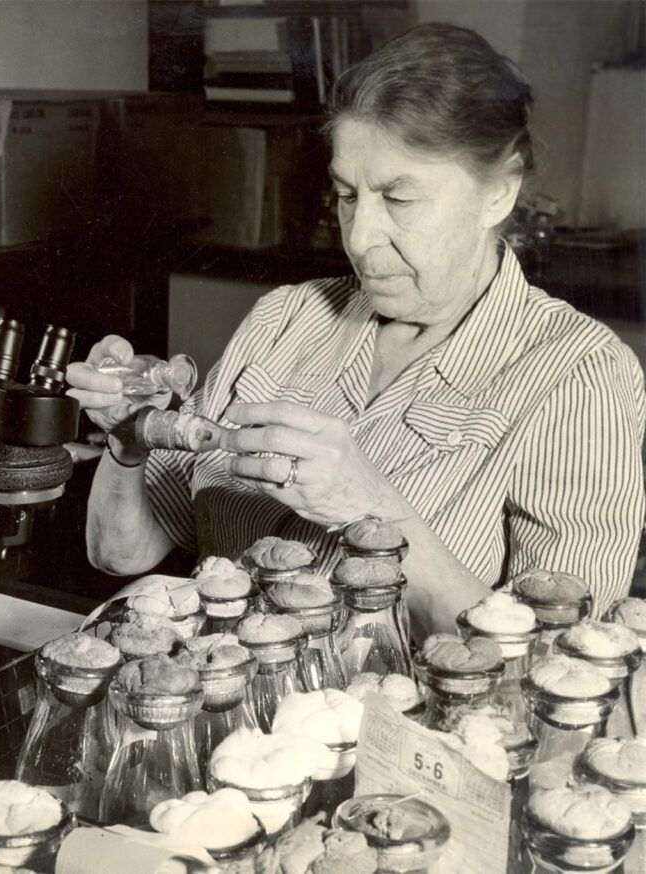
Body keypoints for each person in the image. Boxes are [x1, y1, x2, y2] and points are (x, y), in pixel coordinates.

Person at [66, 23, 646, 640]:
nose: (361, 238)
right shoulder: (285, 320)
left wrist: (368, 506)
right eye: (347, 195)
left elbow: (549, 664)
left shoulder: (579, 372)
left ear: (498, 192)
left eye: (400, 199)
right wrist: (129, 440)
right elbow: (120, 556)